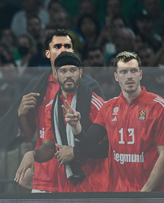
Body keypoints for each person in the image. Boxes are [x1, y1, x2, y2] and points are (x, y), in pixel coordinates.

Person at [0, 29, 103, 192]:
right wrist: (21, 114)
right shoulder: (38, 86)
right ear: (48, 53)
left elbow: (102, 136)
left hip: (81, 175)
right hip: (45, 175)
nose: (63, 50)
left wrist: (77, 151)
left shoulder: (90, 89)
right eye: (58, 46)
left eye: (68, 46)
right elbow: (31, 136)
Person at [64, 51, 164, 191]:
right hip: (118, 194)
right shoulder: (108, 108)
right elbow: (88, 146)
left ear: (140, 74)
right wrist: (76, 127)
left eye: (133, 71)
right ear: (116, 77)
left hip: (151, 195)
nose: (129, 76)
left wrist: (145, 192)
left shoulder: (158, 107)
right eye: (123, 72)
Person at [14, 52, 108, 192]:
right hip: (68, 185)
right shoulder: (51, 108)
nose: (68, 75)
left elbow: (109, 146)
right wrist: (31, 154)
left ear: (81, 73)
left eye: (73, 70)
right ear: (56, 75)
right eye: (63, 71)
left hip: (95, 183)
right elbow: (50, 147)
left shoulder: (96, 104)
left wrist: (76, 152)